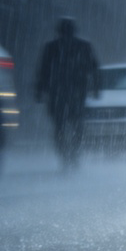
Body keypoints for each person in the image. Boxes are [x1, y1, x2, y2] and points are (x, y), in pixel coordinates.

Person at [35, 16, 100, 168]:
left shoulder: (51, 47)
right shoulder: (84, 46)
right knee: (76, 125)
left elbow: (43, 71)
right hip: (76, 93)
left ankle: (65, 155)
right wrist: (96, 88)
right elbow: (94, 69)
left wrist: (40, 91)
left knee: (60, 126)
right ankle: (72, 154)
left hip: (57, 94)